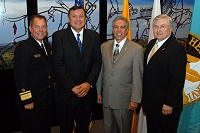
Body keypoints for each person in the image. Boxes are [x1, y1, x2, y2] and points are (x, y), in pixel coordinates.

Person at [52, 6, 102, 133]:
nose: (78, 19)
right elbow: (58, 64)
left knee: (83, 128)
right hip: (66, 93)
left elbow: (97, 62)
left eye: (81, 16)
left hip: (86, 93)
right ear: (69, 20)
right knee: (66, 128)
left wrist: (88, 83)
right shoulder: (59, 36)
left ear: (85, 19)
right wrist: (72, 86)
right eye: (74, 16)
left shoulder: (94, 36)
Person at [96, 16, 144, 133]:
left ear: (127, 30)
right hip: (106, 99)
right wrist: (98, 92)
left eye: (122, 27)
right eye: (116, 27)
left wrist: (135, 99)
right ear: (112, 30)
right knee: (109, 129)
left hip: (124, 101)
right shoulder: (104, 46)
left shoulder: (136, 49)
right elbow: (101, 71)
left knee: (123, 130)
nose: (118, 30)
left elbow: (138, 76)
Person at [142, 14, 187, 133]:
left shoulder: (176, 48)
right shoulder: (152, 43)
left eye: (162, 26)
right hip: (152, 104)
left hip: (165, 106)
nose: (158, 30)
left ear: (170, 29)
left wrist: (169, 103)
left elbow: (177, 79)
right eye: (156, 26)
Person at [14, 15, 54, 133]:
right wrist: (27, 100)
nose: (40, 30)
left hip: (46, 101)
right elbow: (20, 76)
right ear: (30, 29)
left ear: (46, 28)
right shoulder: (24, 47)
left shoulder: (47, 45)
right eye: (37, 26)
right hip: (32, 102)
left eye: (43, 26)